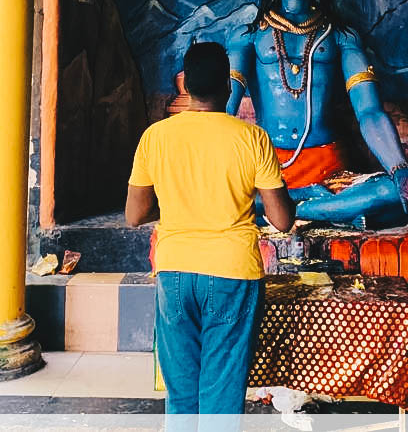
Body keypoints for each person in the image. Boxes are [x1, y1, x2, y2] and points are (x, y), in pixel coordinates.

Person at [226, 0, 408, 228]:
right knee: (225, 192)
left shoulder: (340, 37)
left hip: (329, 173)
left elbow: (370, 112)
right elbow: (223, 109)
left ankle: (288, 210)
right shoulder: (249, 35)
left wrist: (401, 167)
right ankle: (330, 211)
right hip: (266, 169)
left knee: (396, 192)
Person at [125, 41, 295, 421]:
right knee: (221, 394)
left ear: (185, 86)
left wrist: (175, 193)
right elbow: (282, 220)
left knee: (181, 393)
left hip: (174, 269)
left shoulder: (156, 137)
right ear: (229, 87)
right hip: (233, 272)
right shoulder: (253, 139)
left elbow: (133, 215)